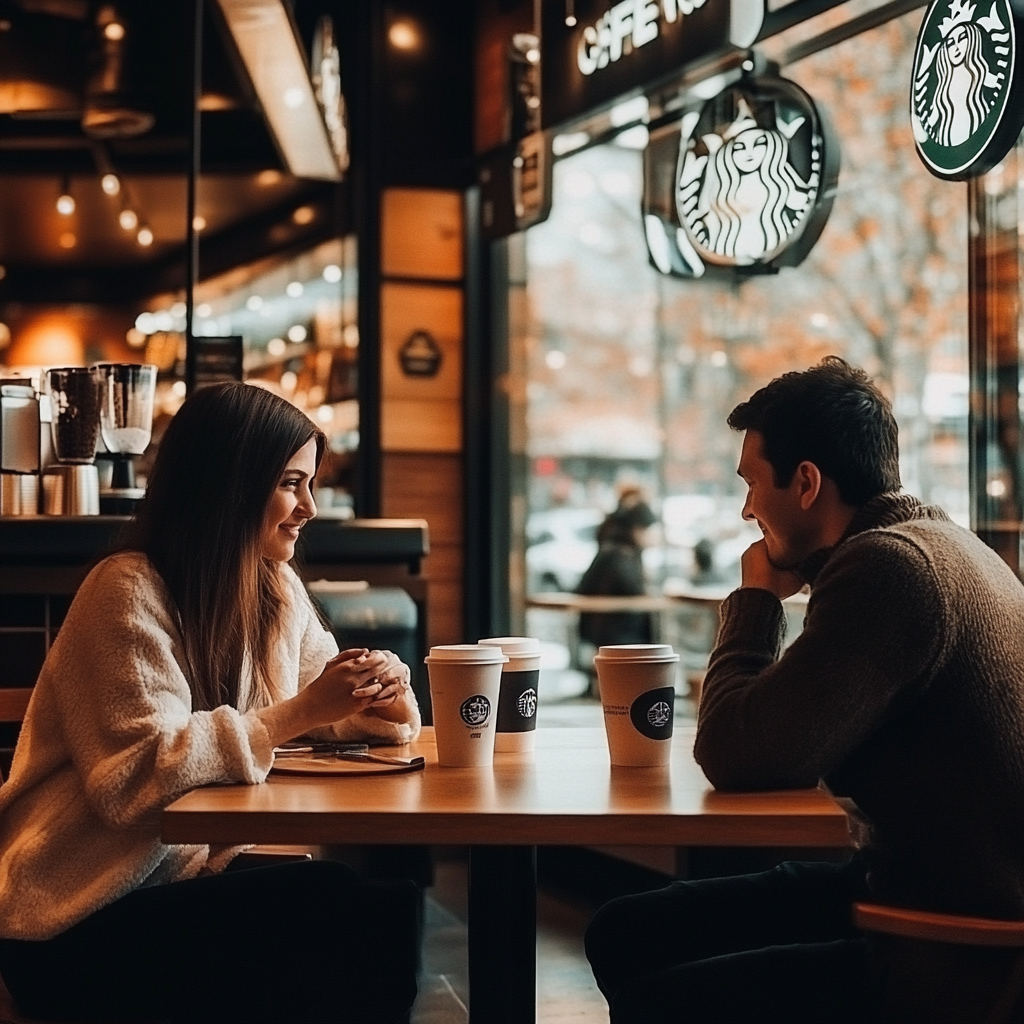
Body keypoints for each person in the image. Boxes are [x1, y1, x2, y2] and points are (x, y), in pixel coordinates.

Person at [585, 357, 1024, 1023]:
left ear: (808, 482)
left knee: (655, 996)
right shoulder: (940, 545)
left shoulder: (890, 570)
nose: (746, 508)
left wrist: (756, 599)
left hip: (950, 950)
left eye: (753, 484)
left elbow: (738, 751)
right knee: (624, 929)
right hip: (910, 888)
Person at [0, 382, 422, 1023]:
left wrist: (377, 698)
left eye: (309, 484)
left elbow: (316, 706)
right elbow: (137, 777)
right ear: (228, 484)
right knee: (342, 918)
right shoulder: (125, 590)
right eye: (290, 483)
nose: (308, 506)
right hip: (71, 919)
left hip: (180, 886)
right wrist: (307, 709)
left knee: (379, 912)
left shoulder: (274, 588)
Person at [577, 486, 658, 650]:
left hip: (610, 635)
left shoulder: (614, 548)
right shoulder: (621, 556)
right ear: (637, 530)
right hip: (620, 636)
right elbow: (633, 589)